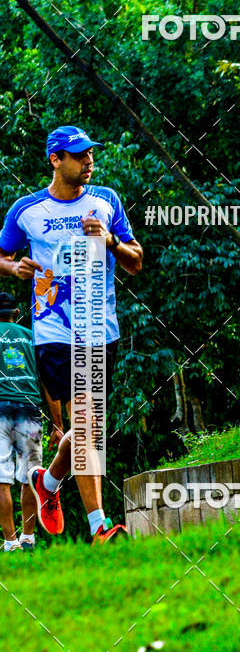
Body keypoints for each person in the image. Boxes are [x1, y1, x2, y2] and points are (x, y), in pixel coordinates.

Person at [0, 125, 143, 544]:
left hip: (101, 329)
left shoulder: (106, 200)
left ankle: (48, 482)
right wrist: (13, 267)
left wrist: (111, 240)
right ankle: (100, 526)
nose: (88, 161)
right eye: (79, 155)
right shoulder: (26, 210)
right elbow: (2, 255)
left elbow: (136, 261)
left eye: (90, 154)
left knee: (86, 427)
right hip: (53, 332)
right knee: (86, 422)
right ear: (55, 160)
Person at [0, 292, 63, 552]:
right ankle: (28, 538)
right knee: (30, 476)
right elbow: (50, 383)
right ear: (16, 313)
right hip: (29, 408)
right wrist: (58, 425)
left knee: (1, 480)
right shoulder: (32, 337)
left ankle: (10, 542)